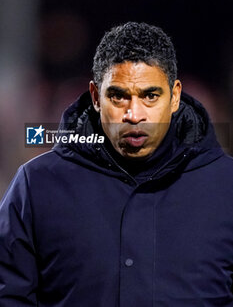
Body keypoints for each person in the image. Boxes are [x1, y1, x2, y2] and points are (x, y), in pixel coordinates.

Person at [0, 22, 233, 307]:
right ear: (96, 97)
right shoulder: (37, 186)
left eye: (150, 96)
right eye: (118, 96)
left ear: (174, 97)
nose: (134, 114)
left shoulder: (226, 187)